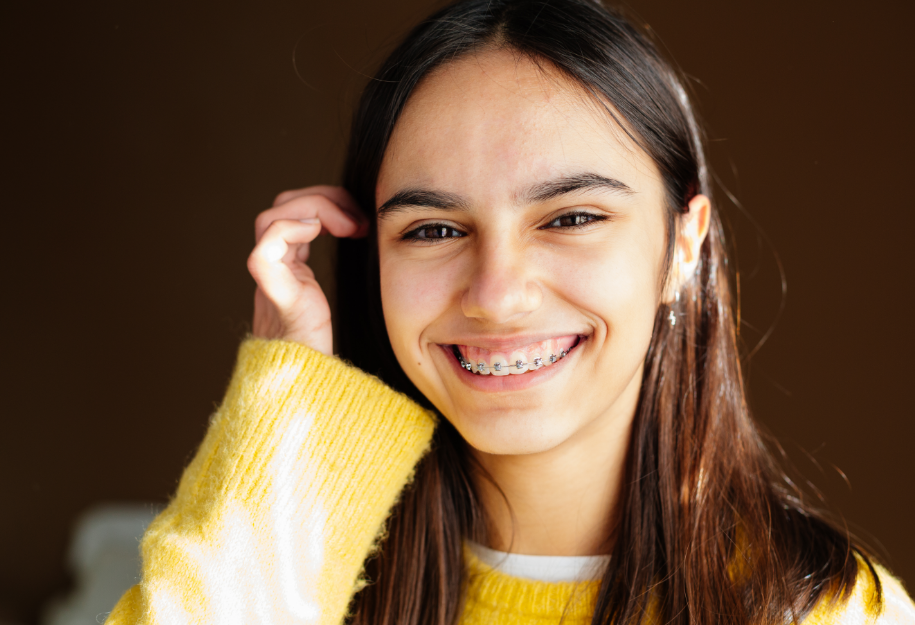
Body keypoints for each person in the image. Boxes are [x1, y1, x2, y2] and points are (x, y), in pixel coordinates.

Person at [106, 0, 915, 623]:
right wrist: (291, 402)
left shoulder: (824, 608)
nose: (495, 293)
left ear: (683, 245)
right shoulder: (294, 581)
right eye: (432, 229)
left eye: (569, 217)